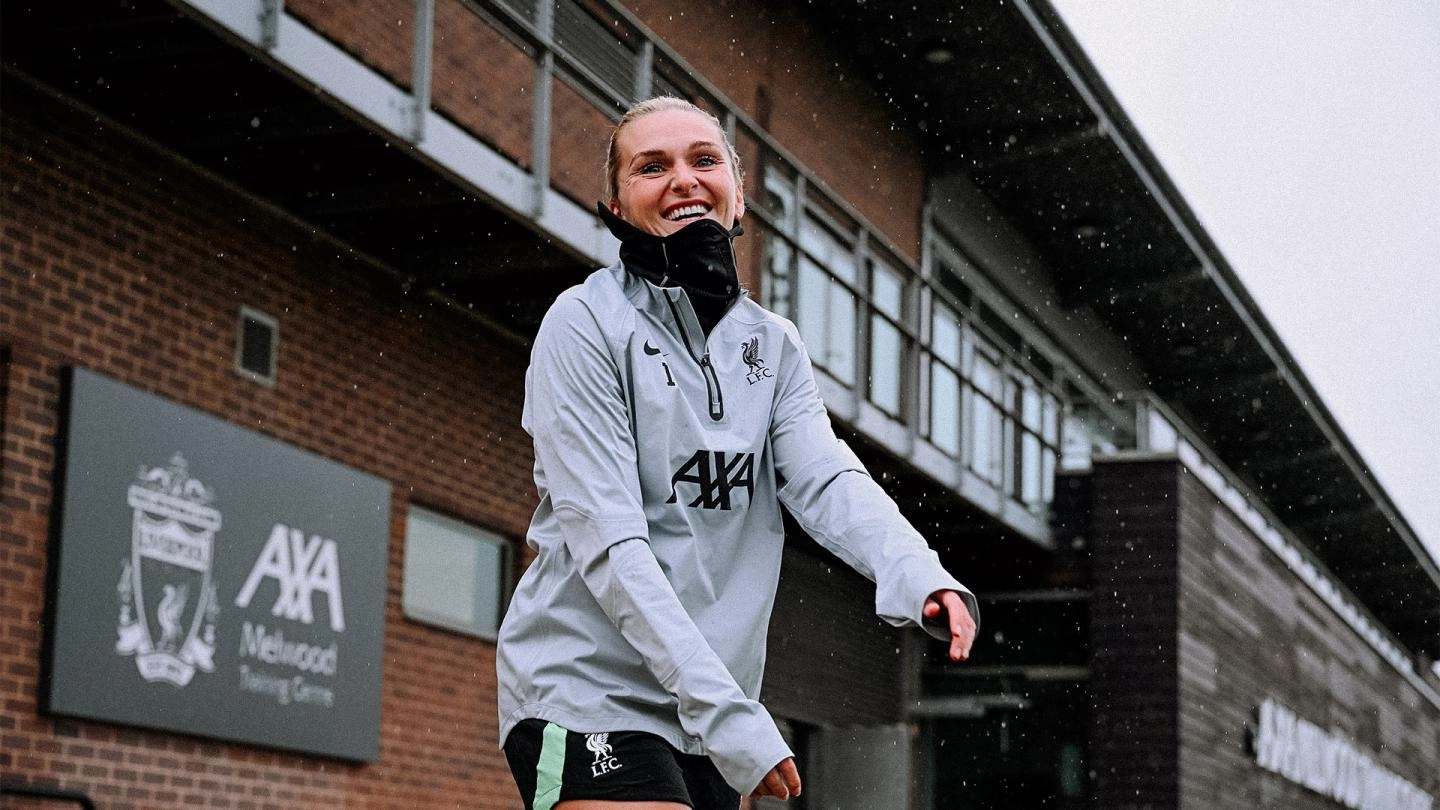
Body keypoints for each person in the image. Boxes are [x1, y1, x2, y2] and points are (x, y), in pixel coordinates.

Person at [496, 96, 978, 810]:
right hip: (588, 689)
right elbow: (610, 544)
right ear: (617, 206)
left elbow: (825, 477)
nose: (683, 179)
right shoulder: (585, 324)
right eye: (651, 166)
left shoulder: (773, 344)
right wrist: (731, 716)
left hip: (708, 712)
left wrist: (917, 574)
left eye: (703, 159)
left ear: (738, 192)